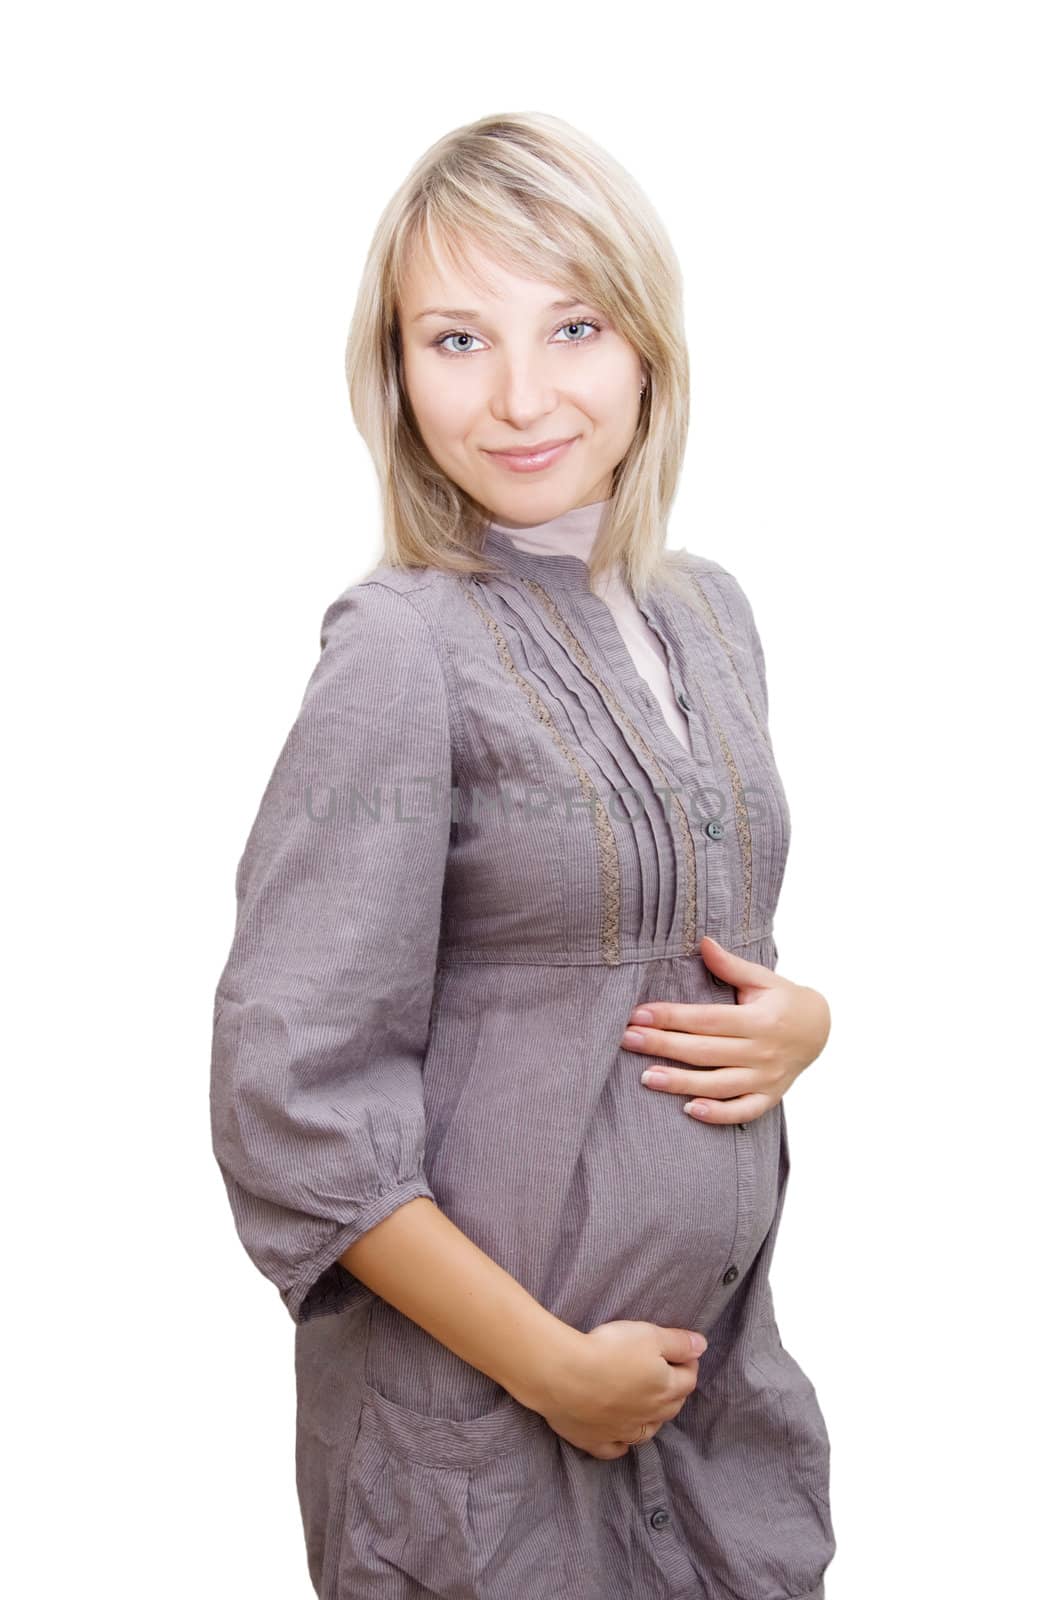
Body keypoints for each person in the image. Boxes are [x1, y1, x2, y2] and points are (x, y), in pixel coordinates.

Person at [210, 110, 837, 1600]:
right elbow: (287, 1100)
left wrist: (802, 1027)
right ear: (395, 371)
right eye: (456, 338)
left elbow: (679, 934)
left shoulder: (711, 616)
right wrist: (554, 1369)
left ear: (646, 350)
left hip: (713, 1417)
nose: (520, 396)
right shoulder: (401, 647)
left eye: (571, 325)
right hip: (486, 1448)